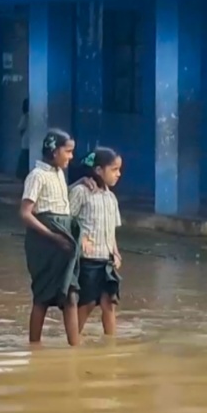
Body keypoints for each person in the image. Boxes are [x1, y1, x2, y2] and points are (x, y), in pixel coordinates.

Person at [19, 129, 81, 346]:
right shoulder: (37, 176)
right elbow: (26, 213)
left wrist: (83, 182)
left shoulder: (58, 175)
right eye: (68, 151)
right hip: (44, 243)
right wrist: (53, 236)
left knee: (71, 293)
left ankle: (76, 348)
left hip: (63, 241)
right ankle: (34, 346)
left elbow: (59, 201)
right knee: (43, 297)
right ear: (55, 152)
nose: (71, 157)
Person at [70, 147, 124, 336]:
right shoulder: (81, 192)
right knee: (87, 303)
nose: (118, 174)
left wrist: (116, 252)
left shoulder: (111, 198)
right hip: (88, 259)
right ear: (99, 170)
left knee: (109, 303)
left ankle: (111, 346)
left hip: (107, 259)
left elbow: (111, 231)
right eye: (114, 169)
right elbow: (66, 220)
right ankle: (73, 341)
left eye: (119, 170)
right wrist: (81, 237)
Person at [15, 99, 30, 180]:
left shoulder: (25, 116)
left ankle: (22, 174)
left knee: (24, 158)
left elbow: (20, 128)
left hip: (25, 141)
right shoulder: (28, 116)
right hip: (29, 142)